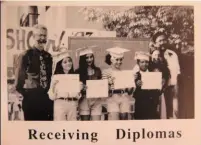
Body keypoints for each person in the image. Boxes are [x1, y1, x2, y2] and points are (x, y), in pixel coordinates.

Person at [15, 24, 53, 121]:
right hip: (31, 98)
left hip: (46, 99)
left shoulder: (49, 57)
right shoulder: (25, 55)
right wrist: (26, 94)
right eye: (40, 35)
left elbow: (50, 76)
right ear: (33, 36)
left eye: (44, 35)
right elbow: (19, 78)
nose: (42, 38)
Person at [151, 32, 181, 119]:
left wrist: (176, 86)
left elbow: (177, 72)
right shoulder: (153, 55)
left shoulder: (172, 54)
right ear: (155, 43)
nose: (162, 42)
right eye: (160, 41)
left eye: (164, 40)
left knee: (174, 110)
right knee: (160, 112)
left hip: (172, 87)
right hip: (158, 88)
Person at [102, 47, 134, 120]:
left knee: (124, 119)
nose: (119, 62)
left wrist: (131, 84)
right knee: (114, 119)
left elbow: (129, 92)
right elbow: (105, 91)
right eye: (117, 59)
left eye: (120, 59)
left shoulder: (125, 73)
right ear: (111, 59)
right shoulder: (106, 72)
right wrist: (108, 84)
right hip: (112, 98)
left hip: (124, 97)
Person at [48, 51, 81, 121]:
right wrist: (53, 86)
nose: (68, 63)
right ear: (60, 64)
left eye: (69, 61)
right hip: (60, 104)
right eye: (65, 62)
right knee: (60, 127)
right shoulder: (55, 78)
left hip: (72, 104)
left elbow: (77, 96)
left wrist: (79, 89)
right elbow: (51, 97)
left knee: (72, 128)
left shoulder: (74, 77)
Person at [75, 46, 103, 121]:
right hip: (84, 100)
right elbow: (76, 89)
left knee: (96, 124)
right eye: (87, 58)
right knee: (85, 125)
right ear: (83, 59)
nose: (90, 59)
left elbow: (101, 85)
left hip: (96, 100)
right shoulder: (78, 72)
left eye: (91, 57)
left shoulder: (98, 70)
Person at [133, 51, 161, 120]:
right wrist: (135, 84)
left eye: (146, 62)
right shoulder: (135, 75)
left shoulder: (153, 74)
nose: (144, 64)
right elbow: (131, 92)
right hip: (140, 106)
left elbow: (158, 91)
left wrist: (158, 84)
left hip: (152, 106)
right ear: (138, 63)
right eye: (142, 62)